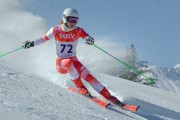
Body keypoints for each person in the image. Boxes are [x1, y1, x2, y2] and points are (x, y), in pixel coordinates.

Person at [22, 8, 122, 105]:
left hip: (74, 60)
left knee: (88, 76)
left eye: (76, 20)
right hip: (61, 63)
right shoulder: (56, 30)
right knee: (68, 62)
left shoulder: (78, 30)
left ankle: (108, 96)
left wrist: (89, 40)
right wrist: (31, 43)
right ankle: (81, 88)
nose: (73, 22)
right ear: (65, 18)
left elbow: (87, 37)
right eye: (71, 19)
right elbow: (43, 39)